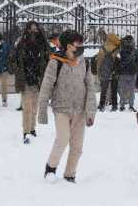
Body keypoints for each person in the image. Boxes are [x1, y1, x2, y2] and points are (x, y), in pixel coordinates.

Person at [38, 30, 96, 184]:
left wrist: (90, 112)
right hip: (61, 108)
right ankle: (50, 168)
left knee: (77, 146)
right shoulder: (55, 62)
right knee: (63, 139)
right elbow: (46, 86)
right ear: (68, 46)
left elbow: (90, 87)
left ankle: (70, 174)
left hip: (80, 110)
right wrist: (42, 110)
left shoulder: (85, 62)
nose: (81, 46)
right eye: (78, 43)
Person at [11, 21, 50, 144]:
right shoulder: (21, 43)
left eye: (35, 29)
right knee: (27, 106)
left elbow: (48, 59)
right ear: (27, 29)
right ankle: (26, 130)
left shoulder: (43, 44)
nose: (33, 31)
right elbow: (13, 59)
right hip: (26, 78)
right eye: (31, 29)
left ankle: (33, 128)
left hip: (38, 79)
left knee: (34, 107)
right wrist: (18, 70)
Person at [96, 33, 121, 112]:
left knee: (104, 89)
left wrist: (98, 70)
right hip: (115, 71)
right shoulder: (118, 48)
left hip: (104, 71)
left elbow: (99, 61)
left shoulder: (102, 48)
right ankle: (114, 105)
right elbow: (120, 60)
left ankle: (101, 105)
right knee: (114, 89)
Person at [118, 35, 138, 112]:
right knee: (131, 90)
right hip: (132, 72)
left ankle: (122, 105)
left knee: (123, 89)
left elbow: (120, 61)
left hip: (124, 72)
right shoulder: (135, 51)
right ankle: (130, 105)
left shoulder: (122, 51)